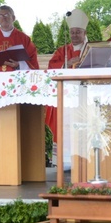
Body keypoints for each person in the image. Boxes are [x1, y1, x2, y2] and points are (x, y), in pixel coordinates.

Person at [46, 9, 89, 145]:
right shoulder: (62, 51)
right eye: (72, 32)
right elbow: (51, 68)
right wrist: (66, 63)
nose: (74, 35)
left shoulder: (90, 49)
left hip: (86, 93)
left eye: (78, 32)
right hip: (66, 94)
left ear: (84, 33)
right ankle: (65, 163)